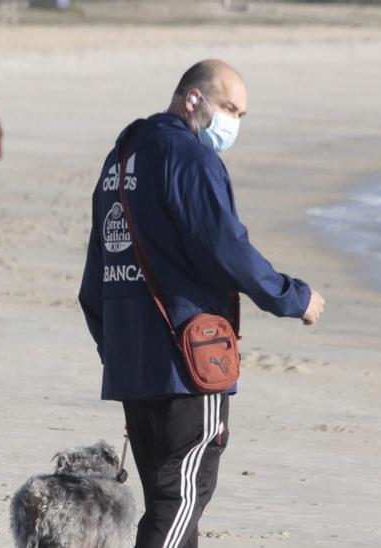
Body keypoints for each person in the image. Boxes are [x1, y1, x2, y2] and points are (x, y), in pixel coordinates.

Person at [77, 59, 325, 547]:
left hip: (133, 363)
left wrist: (117, 348)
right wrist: (294, 297)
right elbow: (227, 248)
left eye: (242, 114)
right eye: (230, 107)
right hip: (189, 363)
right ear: (194, 98)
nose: (234, 123)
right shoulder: (189, 158)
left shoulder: (120, 158)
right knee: (181, 500)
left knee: (170, 504)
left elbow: (94, 278)